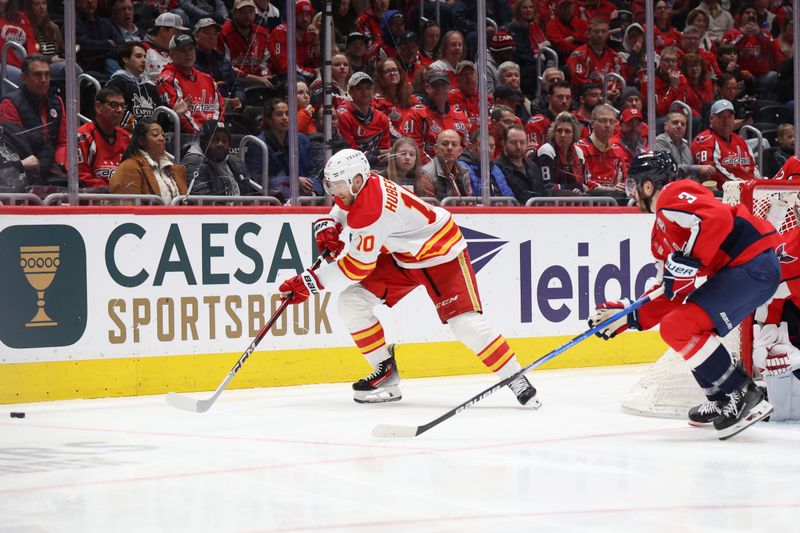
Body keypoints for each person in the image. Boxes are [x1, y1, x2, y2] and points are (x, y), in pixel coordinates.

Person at [277, 148, 541, 407]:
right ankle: (385, 372)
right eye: (331, 185)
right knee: (351, 303)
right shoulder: (365, 184)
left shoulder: (372, 211)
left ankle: (515, 377)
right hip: (403, 254)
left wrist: (310, 282)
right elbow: (345, 206)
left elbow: (357, 267)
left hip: (441, 254)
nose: (334, 192)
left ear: (357, 180)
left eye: (338, 186)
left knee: (465, 325)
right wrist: (332, 222)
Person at [591, 150, 776, 439]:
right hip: (741, 271)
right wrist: (629, 316)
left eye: (633, 184)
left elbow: (717, 218)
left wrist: (690, 260)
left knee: (678, 326)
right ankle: (721, 398)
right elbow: (670, 292)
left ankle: (742, 392)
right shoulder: (659, 235)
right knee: (683, 327)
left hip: (752, 262)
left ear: (648, 185)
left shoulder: (672, 194)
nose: (631, 192)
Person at [0, 55, 66, 173]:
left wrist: (62, 163)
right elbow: (15, 146)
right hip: (26, 167)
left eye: (47, 74)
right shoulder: (9, 104)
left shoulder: (57, 101)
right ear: (23, 78)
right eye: (37, 74)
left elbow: (63, 142)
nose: (43, 80)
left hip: (52, 164)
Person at [246, 98, 318, 200]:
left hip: (304, 198)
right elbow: (258, 179)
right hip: (274, 200)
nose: (285, 117)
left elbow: (313, 173)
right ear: (269, 119)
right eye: (279, 114)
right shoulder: (258, 144)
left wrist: (314, 192)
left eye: (287, 114)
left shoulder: (302, 140)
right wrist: (292, 181)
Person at [156, 34, 224, 135]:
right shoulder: (167, 79)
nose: (188, 54)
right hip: (187, 138)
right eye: (182, 50)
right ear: (172, 55)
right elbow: (181, 117)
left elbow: (220, 108)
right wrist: (202, 136)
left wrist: (217, 132)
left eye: (191, 49)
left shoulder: (207, 78)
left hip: (212, 137)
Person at [110, 117, 188, 202]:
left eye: (163, 135)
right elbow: (127, 206)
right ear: (141, 140)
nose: (162, 138)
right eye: (155, 135)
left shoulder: (173, 168)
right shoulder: (129, 167)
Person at [401, 70, 469, 164]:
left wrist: (456, 167)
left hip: (456, 167)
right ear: (427, 87)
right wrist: (436, 168)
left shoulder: (460, 115)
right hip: (425, 169)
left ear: (449, 88)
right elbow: (413, 148)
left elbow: (465, 147)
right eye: (435, 85)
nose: (440, 89)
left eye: (443, 86)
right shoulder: (416, 114)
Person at [691, 99, 759, 191]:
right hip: (723, 193)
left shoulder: (740, 140)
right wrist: (745, 185)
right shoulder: (703, 140)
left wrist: (759, 183)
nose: (726, 120)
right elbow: (713, 174)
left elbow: (753, 167)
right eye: (720, 116)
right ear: (711, 119)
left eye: (729, 116)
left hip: (749, 189)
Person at [183, 120, 255, 196]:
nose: (220, 144)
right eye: (215, 140)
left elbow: (248, 194)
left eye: (224, 140)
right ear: (204, 142)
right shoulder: (195, 161)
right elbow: (200, 199)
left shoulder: (235, 161)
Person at [77, 87, 131, 188]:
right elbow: (80, 175)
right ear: (98, 107)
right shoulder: (83, 137)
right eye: (114, 105)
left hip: (123, 195)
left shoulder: (128, 138)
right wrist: (108, 191)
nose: (120, 110)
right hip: (93, 196)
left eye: (122, 106)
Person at [337, 72, 392, 167]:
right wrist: (378, 154)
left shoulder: (382, 118)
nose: (365, 92)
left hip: (377, 166)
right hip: (351, 166)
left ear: (373, 91)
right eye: (359, 89)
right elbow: (350, 154)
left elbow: (385, 151)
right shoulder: (343, 116)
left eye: (368, 88)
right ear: (350, 92)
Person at [566, 18, 623, 101]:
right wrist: (603, 93)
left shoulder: (615, 57)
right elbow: (579, 82)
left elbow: (621, 79)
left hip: (612, 99)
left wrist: (618, 90)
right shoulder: (578, 55)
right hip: (585, 99)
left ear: (608, 34)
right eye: (596, 31)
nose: (600, 34)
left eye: (603, 31)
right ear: (588, 34)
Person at [575, 104, 626, 197]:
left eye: (612, 121)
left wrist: (623, 187)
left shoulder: (618, 150)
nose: (608, 125)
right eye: (602, 121)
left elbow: (625, 181)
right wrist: (611, 189)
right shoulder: (580, 148)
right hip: (589, 200)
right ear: (592, 124)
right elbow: (583, 181)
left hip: (615, 200)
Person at [219, 0, 273, 88]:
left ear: (255, 13)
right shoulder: (224, 33)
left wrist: (264, 76)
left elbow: (267, 61)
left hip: (261, 82)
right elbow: (226, 67)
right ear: (234, 13)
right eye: (242, 12)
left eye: (250, 11)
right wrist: (256, 79)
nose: (247, 16)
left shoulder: (262, 33)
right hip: (235, 81)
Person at [106, 41, 160, 123]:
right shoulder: (116, 83)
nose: (144, 60)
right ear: (126, 59)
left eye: (145, 56)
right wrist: (141, 128)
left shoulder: (150, 86)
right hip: (128, 130)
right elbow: (116, 113)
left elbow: (160, 115)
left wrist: (173, 113)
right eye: (138, 56)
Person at [654, 110, 716, 181]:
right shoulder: (660, 141)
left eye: (683, 124)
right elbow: (669, 169)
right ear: (665, 126)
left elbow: (692, 176)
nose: (679, 126)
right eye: (675, 122)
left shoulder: (686, 146)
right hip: (669, 185)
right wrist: (697, 168)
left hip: (687, 185)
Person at [537, 111, 588, 194]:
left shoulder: (578, 152)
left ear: (574, 134)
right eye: (559, 131)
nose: (563, 135)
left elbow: (585, 185)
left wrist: (577, 190)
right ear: (554, 133)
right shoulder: (547, 150)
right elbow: (548, 187)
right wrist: (575, 188)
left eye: (567, 131)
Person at [269, 0, 320, 83]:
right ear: (293, 15)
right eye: (300, 15)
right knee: (298, 80)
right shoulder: (280, 32)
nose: (305, 19)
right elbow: (284, 68)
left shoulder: (311, 34)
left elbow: (316, 65)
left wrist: (317, 42)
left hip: (306, 76)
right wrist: (313, 72)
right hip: (281, 79)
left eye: (307, 14)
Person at [494, 124, 546, 204]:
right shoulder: (496, 168)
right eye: (513, 142)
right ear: (504, 144)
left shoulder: (533, 166)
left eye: (522, 142)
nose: (518, 146)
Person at [417, 129, 471, 200]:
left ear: (459, 151)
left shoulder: (464, 171)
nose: (449, 148)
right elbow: (429, 205)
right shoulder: (426, 175)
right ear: (436, 149)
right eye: (445, 144)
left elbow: (469, 202)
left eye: (454, 144)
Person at [459, 128, 514, 198]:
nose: (489, 150)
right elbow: (472, 198)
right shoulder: (463, 168)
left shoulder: (495, 169)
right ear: (470, 147)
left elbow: (509, 196)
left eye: (492, 146)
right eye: (484, 146)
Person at [0, 120, 52, 191]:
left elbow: (44, 144)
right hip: (5, 193)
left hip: (32, 191)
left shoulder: (12, 129)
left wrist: (40, 170)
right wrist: (21, 165)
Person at [76, 0, 124, 75]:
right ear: (77, 2)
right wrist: (108, 44)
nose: (90, 1)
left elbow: (121, 44)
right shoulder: (72, 23)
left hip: (108, 63)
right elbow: (84, 46)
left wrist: (104, 54)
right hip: (86, 69)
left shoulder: (105, 23)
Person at [525, 81, 572, 154]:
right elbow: (532, 155)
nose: (564, 101)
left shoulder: (573, 122)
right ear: (549, 98)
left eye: (568, 97)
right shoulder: (535, 123)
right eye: (560, 97)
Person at [144, 12, 188, 81]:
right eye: (176, 33)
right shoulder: (143, 50)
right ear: (163, 31)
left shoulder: (175, 52)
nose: (178, 37)